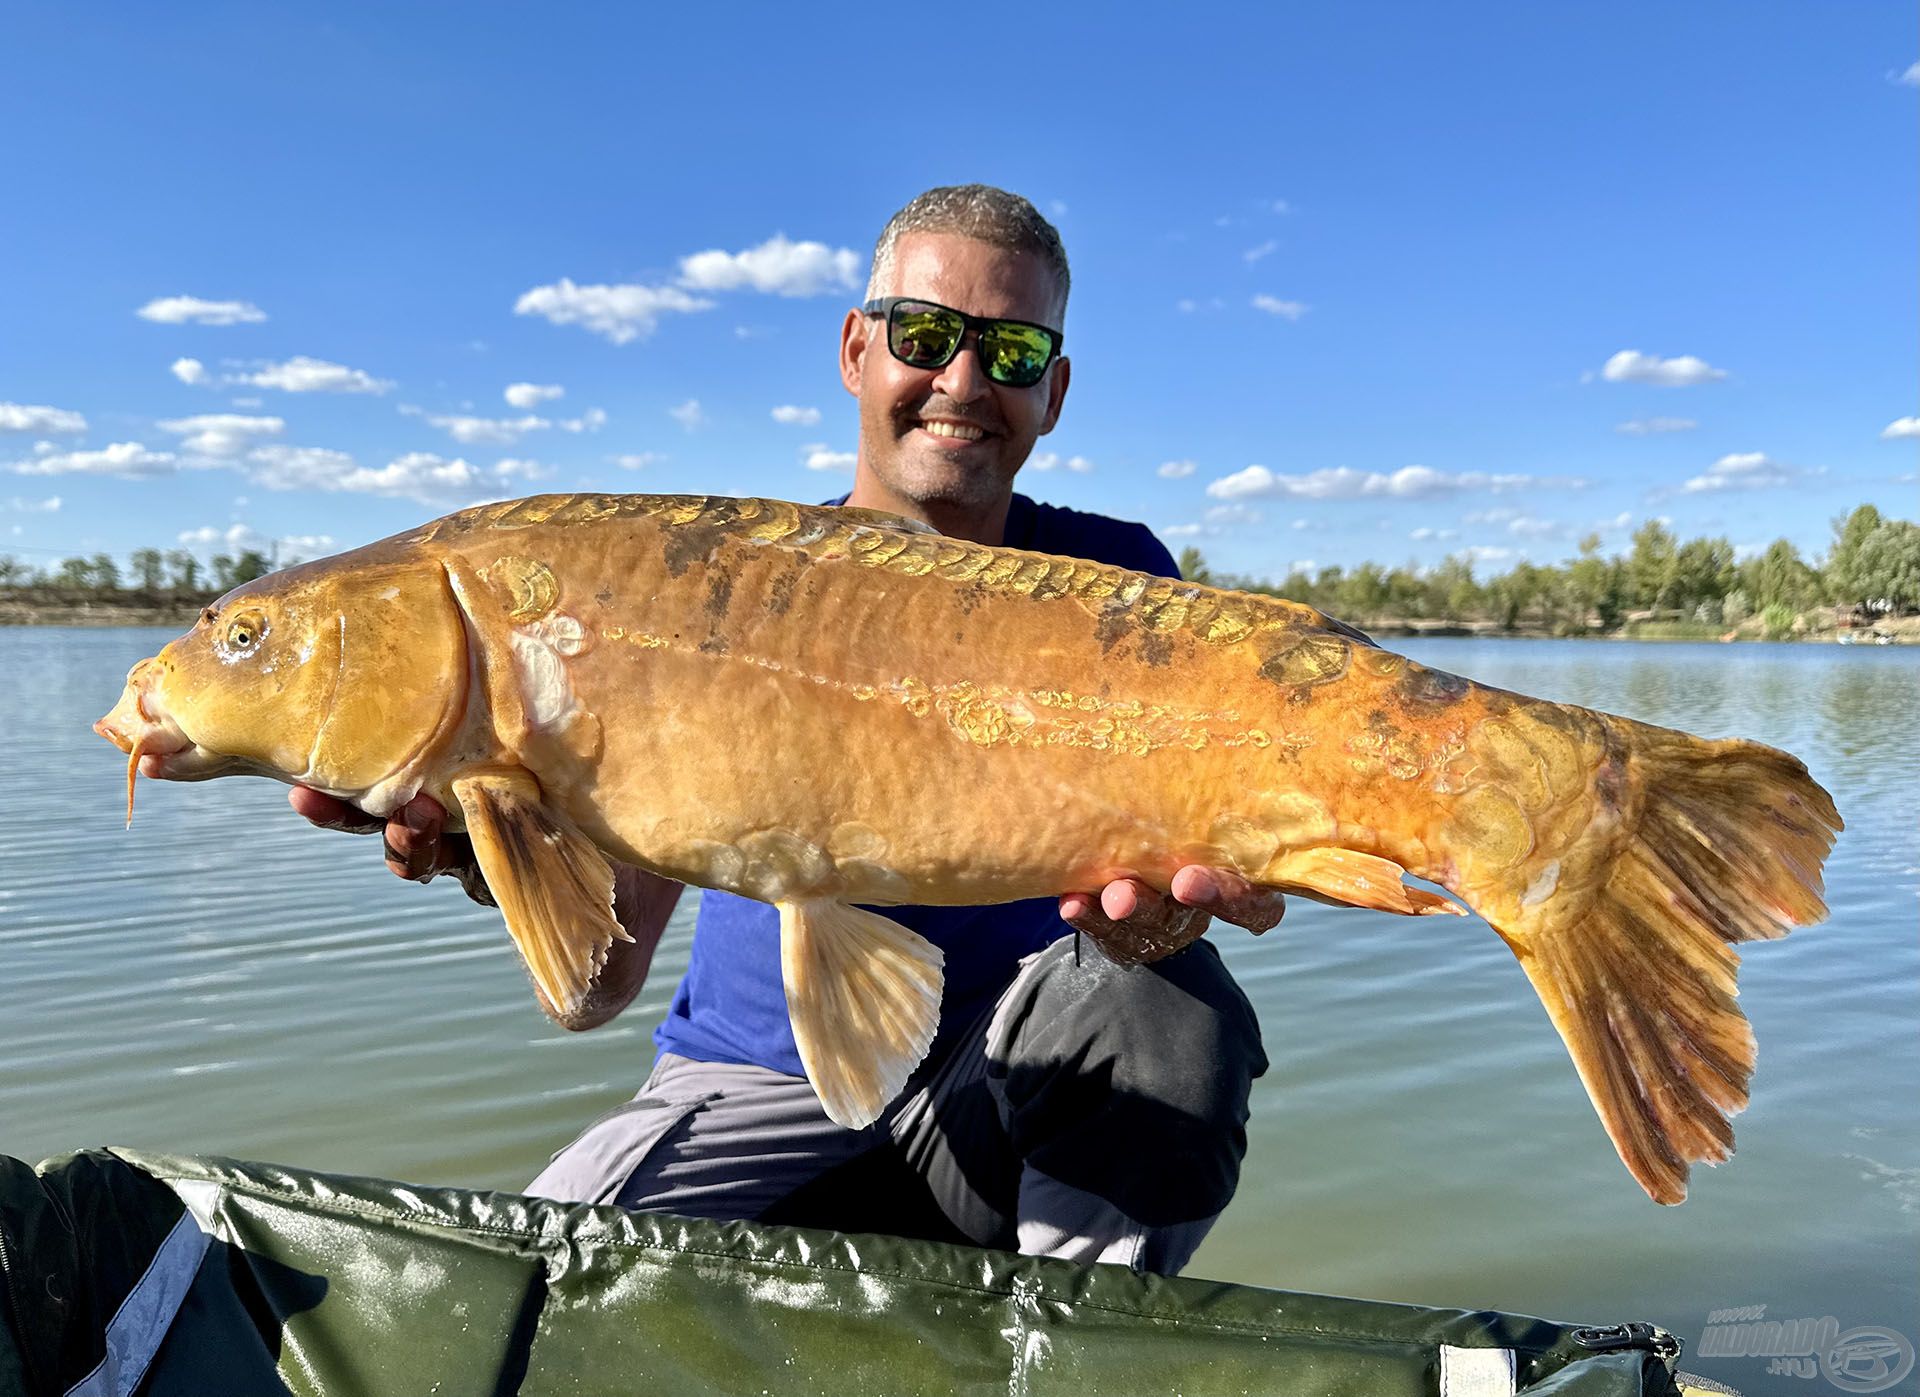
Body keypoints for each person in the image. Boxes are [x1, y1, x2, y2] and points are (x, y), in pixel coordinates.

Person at [291, 185, 1281, 1274]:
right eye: (927, 333)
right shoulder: (707, 591)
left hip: (1008, 1088)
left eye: (1010, 353)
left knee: (1173, 1003)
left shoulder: (1115, 585)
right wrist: (516, 851)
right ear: (858, 348)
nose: (961, 380)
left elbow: (1171, 907)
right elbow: (592, 990)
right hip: (748, 1089)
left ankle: (1073, 1351)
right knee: (512, 1289)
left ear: (1053, 390)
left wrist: (1161, 928)